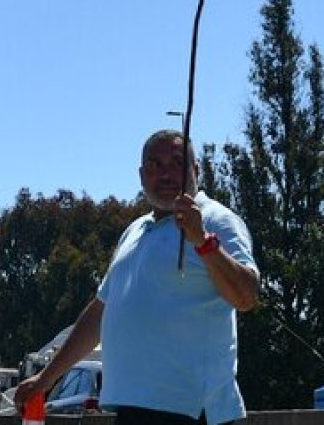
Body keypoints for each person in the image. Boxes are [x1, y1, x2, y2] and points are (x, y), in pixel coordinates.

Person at [14, 130, 259, 424]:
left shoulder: (217, 220)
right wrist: (45, 378)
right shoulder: (135, 231)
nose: (165, 174)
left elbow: (246, 296)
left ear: (196, 170)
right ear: (142, 175)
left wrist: (203, 241)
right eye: (155, 165)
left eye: (176, 163)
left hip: (191, 410)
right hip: (134, 407)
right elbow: (100, 313)